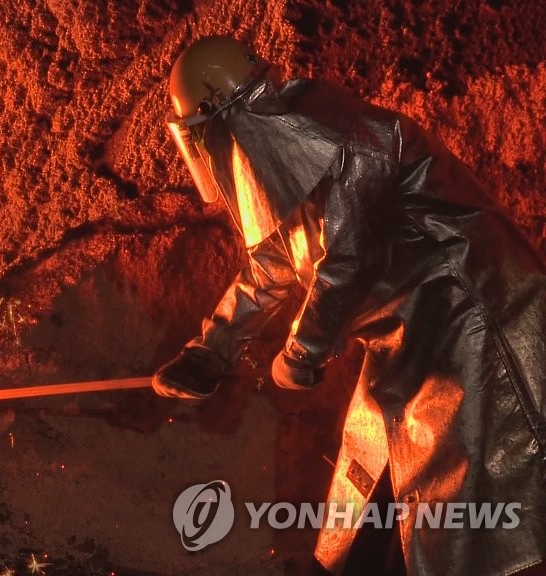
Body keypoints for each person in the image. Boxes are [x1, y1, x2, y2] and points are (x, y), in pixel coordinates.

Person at [154, 35, 546, 576]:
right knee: (367, 500)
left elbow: (348, 261)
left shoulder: (357, 143)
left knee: (461, 514)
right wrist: (212, 348)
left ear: (227, 116)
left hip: (472, 330)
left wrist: (300, 353)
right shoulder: (290, 160)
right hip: (408, 338)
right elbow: (274, 261)